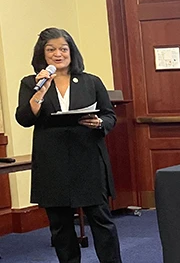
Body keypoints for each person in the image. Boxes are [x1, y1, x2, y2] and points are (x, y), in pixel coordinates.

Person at [15, 27, 121, 263]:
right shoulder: (30, 83)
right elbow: (24, 118)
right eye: (50, 49)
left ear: (71, 51)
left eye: (63, 49)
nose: (57, 54)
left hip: (88, 159)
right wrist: (40, 91)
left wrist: (98, 123)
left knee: (101, 221)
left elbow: (109, 116)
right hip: (52, 163)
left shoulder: (91, 81)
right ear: (42, 54)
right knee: (60, 226)